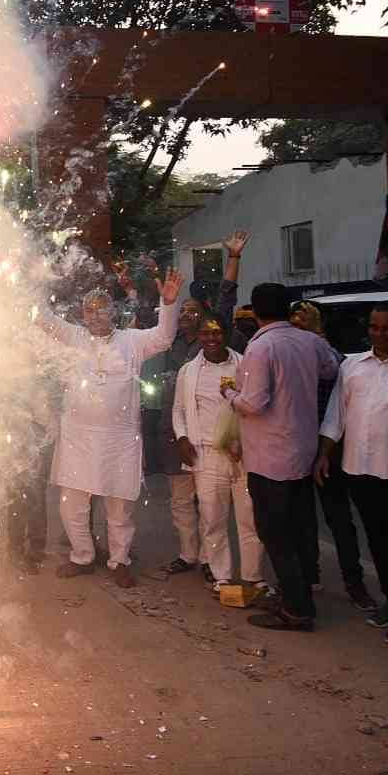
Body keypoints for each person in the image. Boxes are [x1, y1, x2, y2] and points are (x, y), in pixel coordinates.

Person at [38, 269, 183, 588]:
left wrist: (169, 304)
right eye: (89, 309)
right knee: (73, 504)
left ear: (113, 312)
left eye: (101, 308)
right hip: (78, 437)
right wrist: (31, 282)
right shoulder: (73, 336)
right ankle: (82, 556)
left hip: (120, 440)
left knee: (120, 506)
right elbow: (43, 319)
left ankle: (120, 560)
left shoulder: (132, 341)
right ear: (82, 314)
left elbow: (164, 337)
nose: (95, 315)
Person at [222, 282, 339, 632]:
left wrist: (230, 393)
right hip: (301, 452)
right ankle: (298, 595)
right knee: (300, 529)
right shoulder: (309, 341)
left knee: (275, 534)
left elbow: (254, 403)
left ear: (254, 311)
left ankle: (297, 610)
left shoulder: (262, 347)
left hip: (270, 458)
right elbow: (332, 370)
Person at [317, 303, 388, 646]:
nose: (379, 333)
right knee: (378, 540)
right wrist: (324, 453)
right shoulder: (352, 367)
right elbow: (337, 415)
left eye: (387, 328)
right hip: (359, 468)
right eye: (374, 327)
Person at [144, 231, 249, 580]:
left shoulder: (215, 342)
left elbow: (226, 302)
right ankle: (188, 554)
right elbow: (157, 311)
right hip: (174, 433)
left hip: (212, 437)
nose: (187, 316)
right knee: (180, 500)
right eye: (183, 312)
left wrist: (232, 259)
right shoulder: (167, 343)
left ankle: (209, 559)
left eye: (193, 312)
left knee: (209, 505)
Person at [172, 313, 267, 596]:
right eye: (205, 334)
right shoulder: (188, 371)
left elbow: (256, 406)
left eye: (217, 333)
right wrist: (183, 438)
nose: (211, 339)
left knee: (250, 518)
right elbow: (178, 411)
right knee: (212, 519)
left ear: (227, 333)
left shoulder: (245, 364)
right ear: (198, 336)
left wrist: (244, 442)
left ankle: (253, 577)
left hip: (243, 454)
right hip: (206, 455)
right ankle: (221, 575)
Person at [290, 299, 376, 609]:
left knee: (337, 518)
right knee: (305, 518)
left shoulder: (331, 358)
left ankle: (354, 583)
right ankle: (310, 576)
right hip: (297, 446)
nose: (297, 330)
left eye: (303, 324)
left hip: (328, 448)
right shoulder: (299, 353)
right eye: (294, 325)